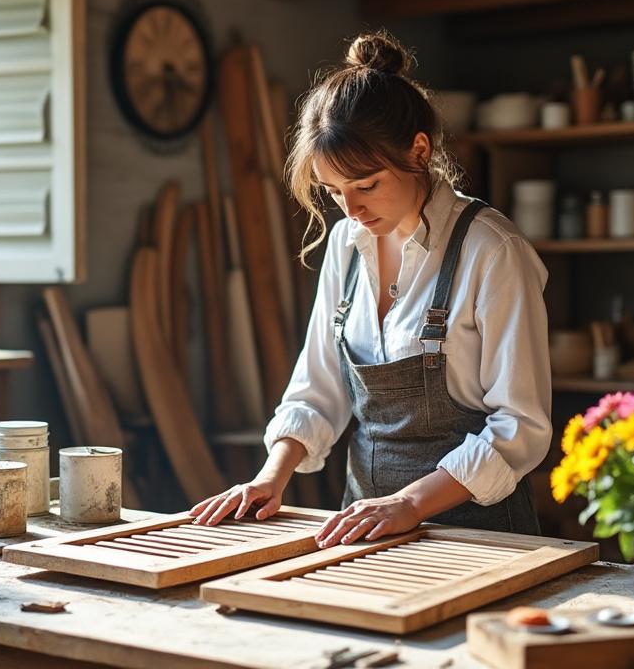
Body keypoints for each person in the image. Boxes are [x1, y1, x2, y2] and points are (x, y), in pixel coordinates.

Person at [190, 32, 552, 548]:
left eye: (367, 184)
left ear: (419, 150)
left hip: (478, 536)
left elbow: (521, 426)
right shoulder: (346, 245)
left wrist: (410, 503)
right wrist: (271, 476)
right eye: (335, 192)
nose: (352, 208)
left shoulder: (492, 250)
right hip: (366, 529)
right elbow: (318, 389)